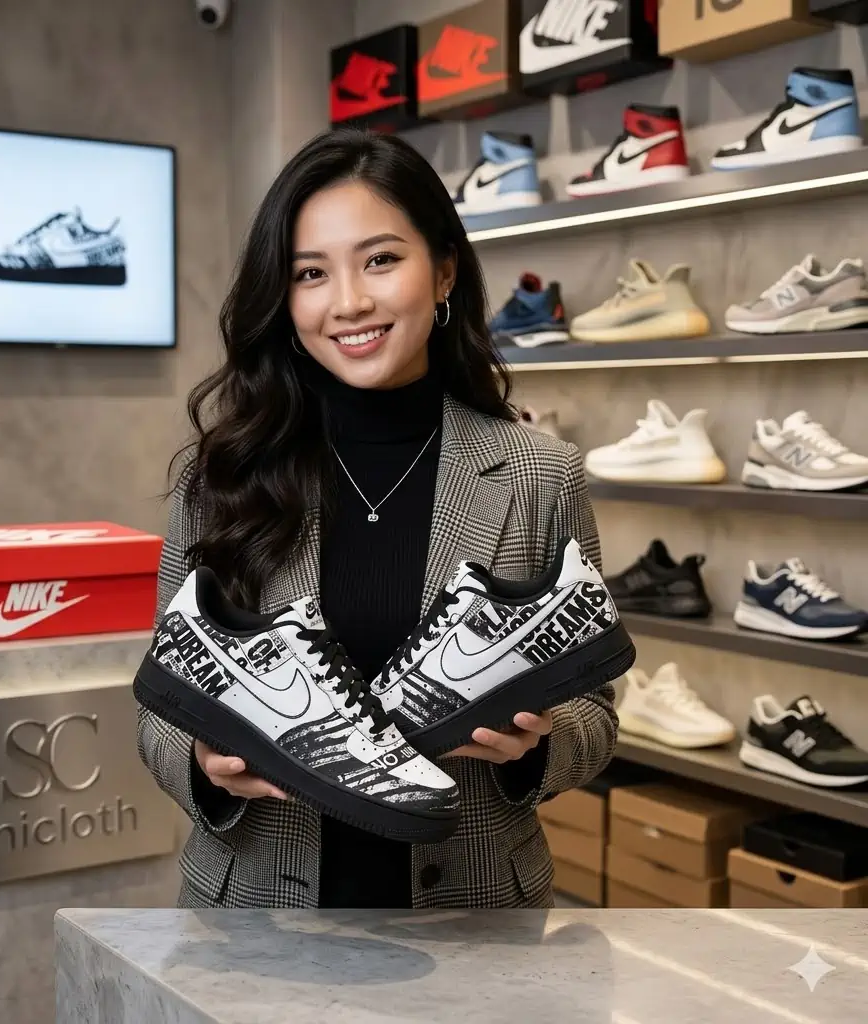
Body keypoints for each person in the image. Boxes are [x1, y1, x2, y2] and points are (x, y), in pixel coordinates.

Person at [137, 127, 617, 909]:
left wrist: (536, 749)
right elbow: (160, 704)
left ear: (444, 271)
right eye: (311, 274)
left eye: (382, 259)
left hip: (476, 916)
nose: (349, 301)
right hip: (257, 917)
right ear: (283, 299)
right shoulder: (220, 476)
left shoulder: (540, 473)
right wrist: (200, 761)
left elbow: (594, 716)